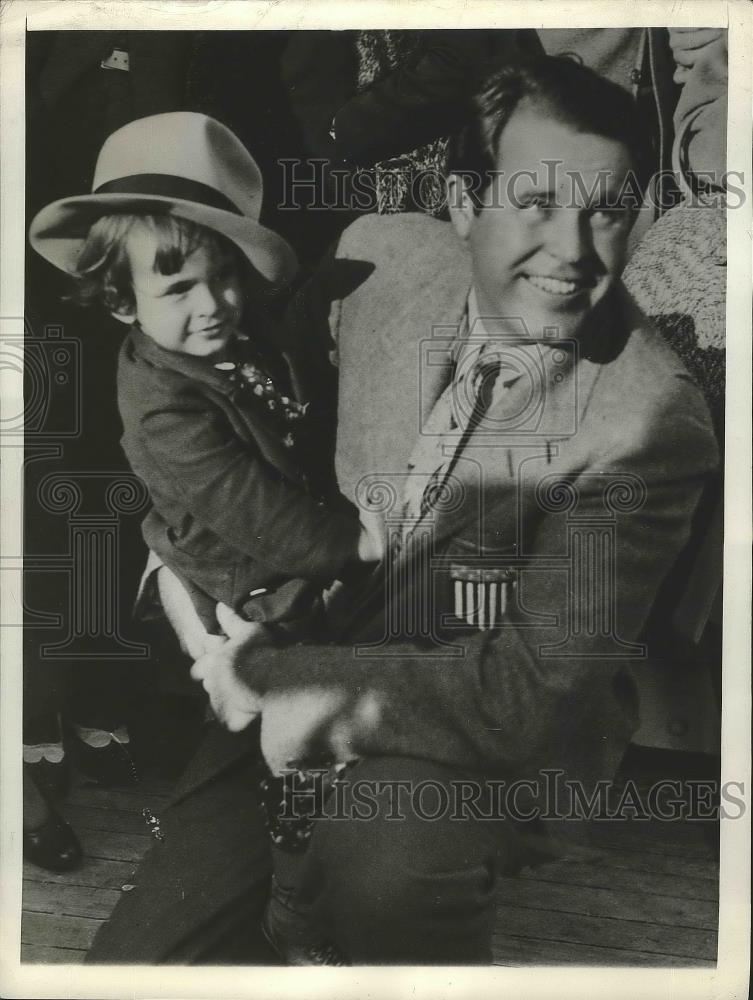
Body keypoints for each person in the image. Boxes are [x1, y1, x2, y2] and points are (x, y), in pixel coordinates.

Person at [85, 57, 719, 965]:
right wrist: (179, 567)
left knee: (385, 865)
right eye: (534, 202)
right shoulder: (375, 261)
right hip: (299, 648)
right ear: (463, 203)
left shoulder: (649, 424)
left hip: (462, 723)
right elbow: (241, 427)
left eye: (607, 208)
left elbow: (528, 692)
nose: (574, 251)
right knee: (134, 969)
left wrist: (284, 685)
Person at [29, 111, 383, 960]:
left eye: (224, 277)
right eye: (178, 288)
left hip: (273, 568)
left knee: (306, 746)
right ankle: (294, 910)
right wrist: (358, 544)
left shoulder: (231, 343)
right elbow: (258, 513)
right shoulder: (161, 404)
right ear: (120, 299)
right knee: (297, 744)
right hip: (252, 584)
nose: (214, 305)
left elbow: (289, 404)